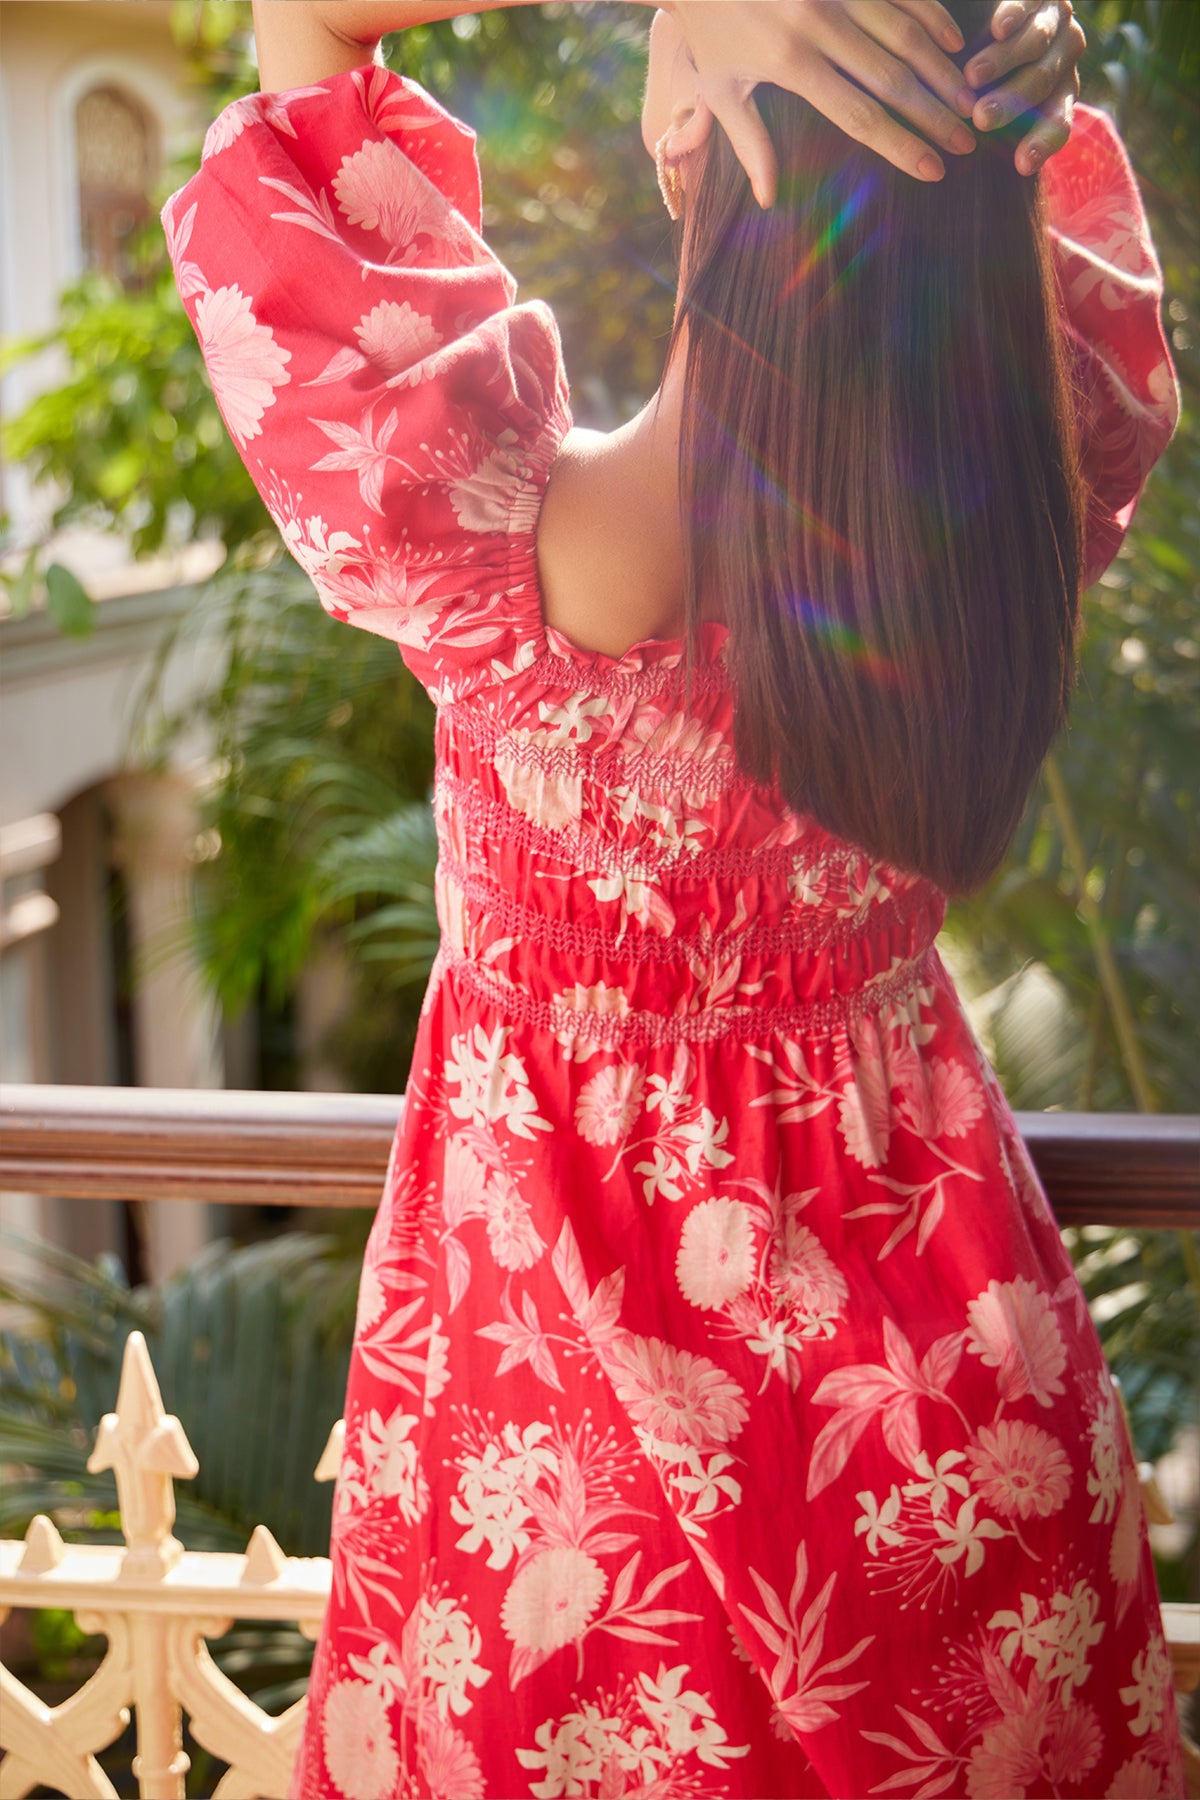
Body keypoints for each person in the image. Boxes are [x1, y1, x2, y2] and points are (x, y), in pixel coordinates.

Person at [165, 0, 1184, 1793]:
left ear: (703, 144)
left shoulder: (490, 542)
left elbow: (302, 24)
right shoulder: (1037, 493)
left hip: (566, 1509)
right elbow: (1054, 256)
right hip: (961, 1445)